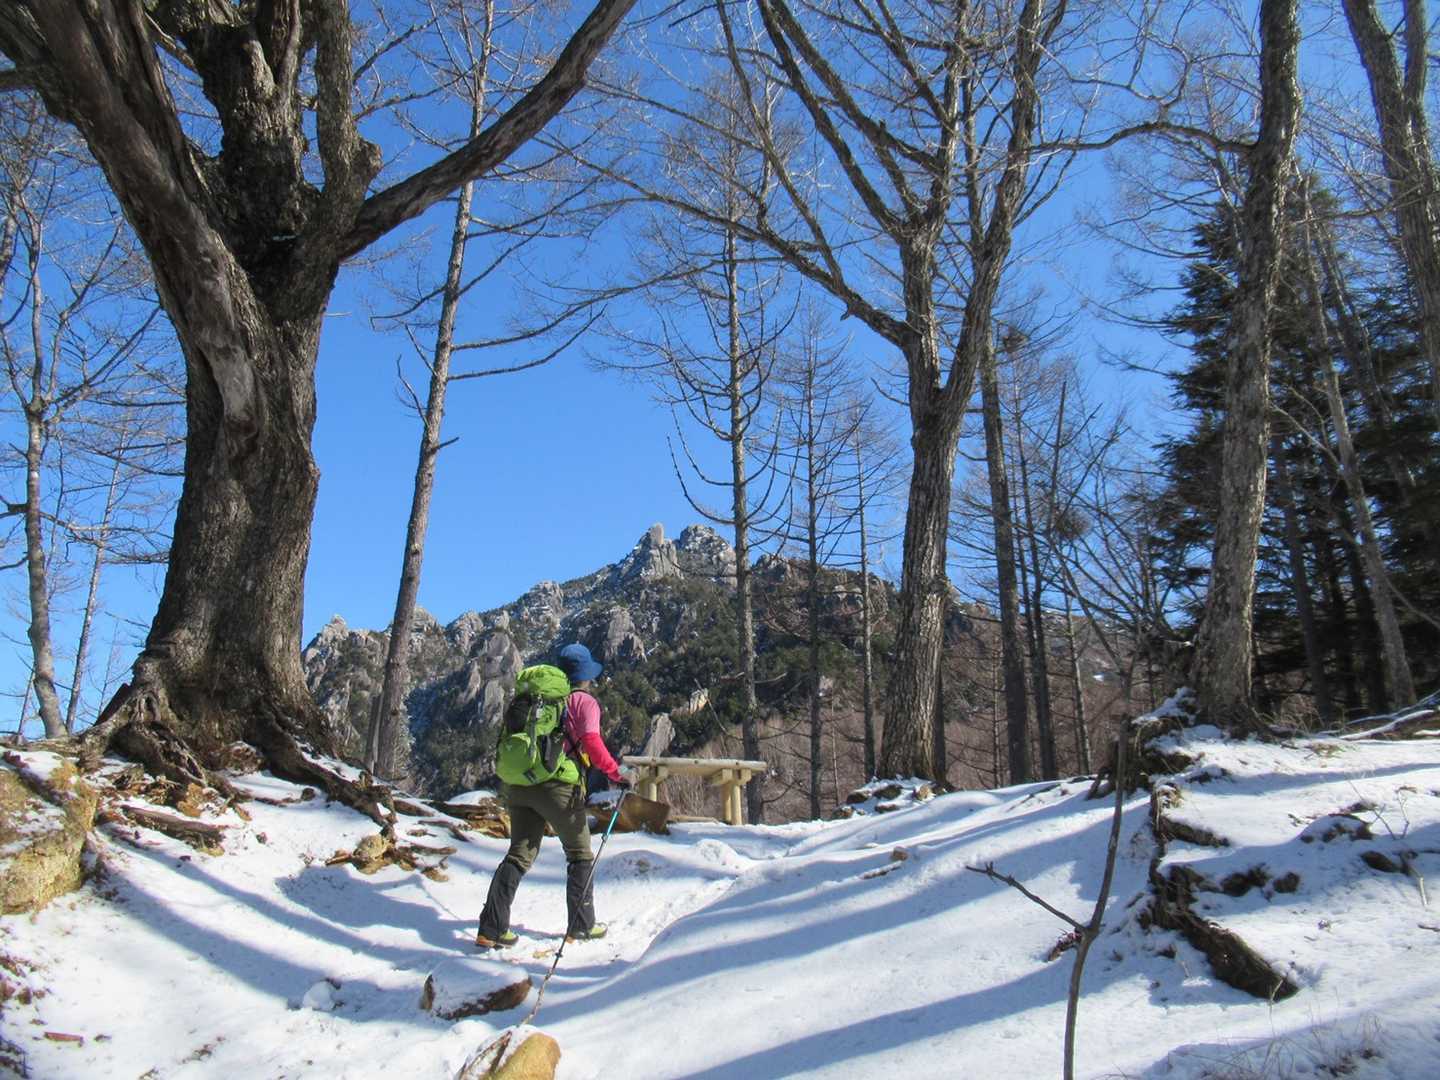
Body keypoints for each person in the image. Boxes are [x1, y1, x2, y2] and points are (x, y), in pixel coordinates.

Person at [476, 642, 630, 949]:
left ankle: (491, 929)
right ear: (586, 675)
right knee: (580, 852)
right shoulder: (583, 702)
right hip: (559, 786)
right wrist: (616, 774)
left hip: (520, 785)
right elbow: (592, 743)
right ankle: (581, 926)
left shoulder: (536, 699)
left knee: (518, 854)